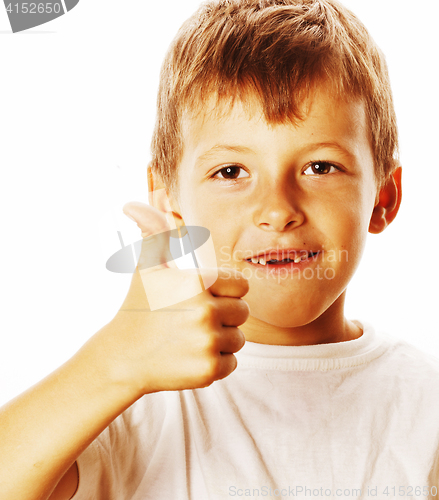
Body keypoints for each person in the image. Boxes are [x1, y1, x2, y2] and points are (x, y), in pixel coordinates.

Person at [2, 0, 439, 498]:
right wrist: (113, 365)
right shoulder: (128, 401)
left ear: (383, 198)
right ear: (171, 205)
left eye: (320, 167)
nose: (277, 210)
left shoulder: (425, 407)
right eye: (231, 172)